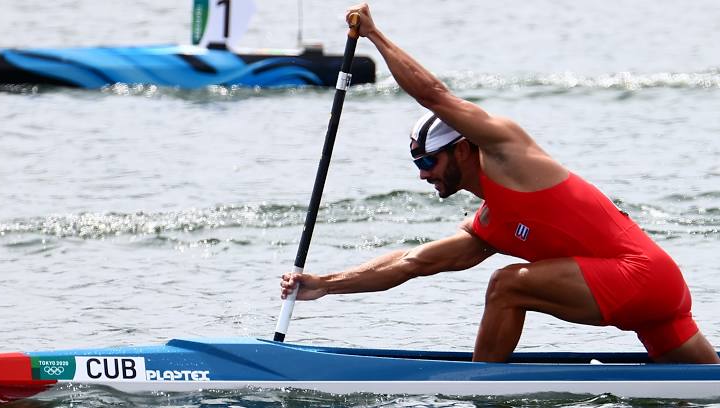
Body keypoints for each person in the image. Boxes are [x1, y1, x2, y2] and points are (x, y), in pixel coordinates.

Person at [280, 3, 720, 364]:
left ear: (463, 150)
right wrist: (325, 284)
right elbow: (412, 263)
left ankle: (482, 390)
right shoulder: (491, 222)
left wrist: (374, 35)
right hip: (655, 296)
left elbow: (435, 95)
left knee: (506, 285)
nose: (423, 174)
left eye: (429, 160)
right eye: (417, 163)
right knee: (704, 385)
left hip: (641, 277)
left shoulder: (511, 155)